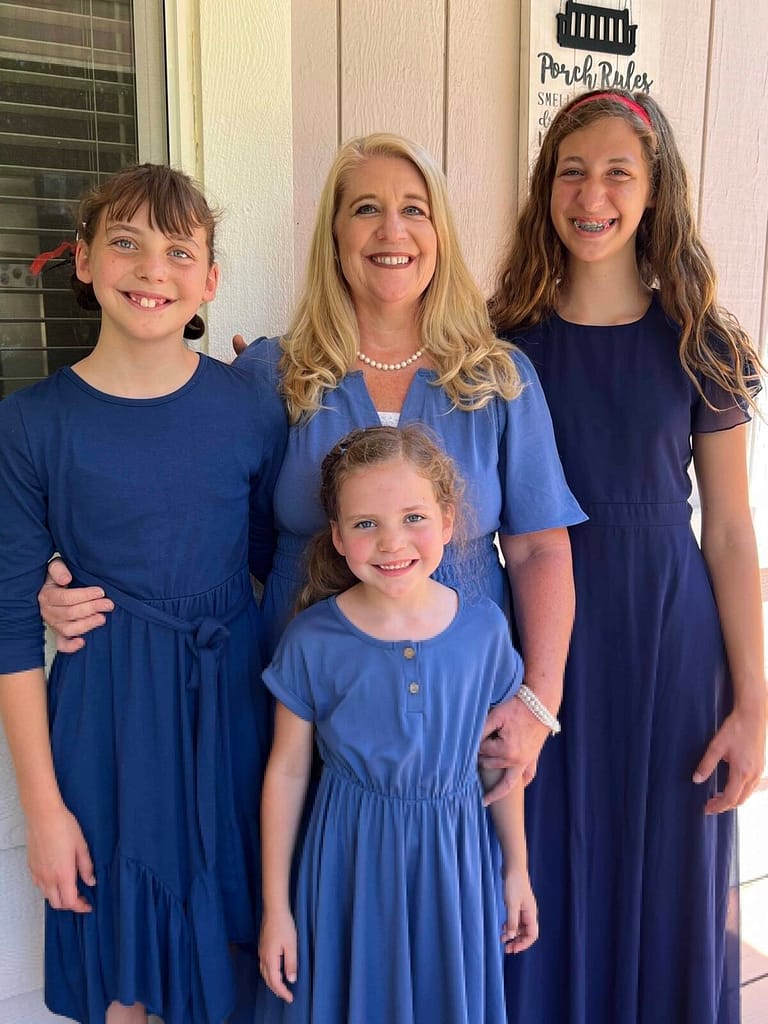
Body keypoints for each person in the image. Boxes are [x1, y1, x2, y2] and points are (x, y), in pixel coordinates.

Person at [38, 133, 586, 796]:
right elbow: (182, 510)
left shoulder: (499, 379)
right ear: (333, 234)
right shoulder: (272, 373)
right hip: (304, 721)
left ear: (440, 232)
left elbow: (539, 552)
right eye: (365, 209)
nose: (392, 230)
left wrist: (536, 702)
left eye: (414, 209)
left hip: (462, 720)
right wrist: (67, 582)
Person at [488, 89, 766, 1024]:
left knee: (667, 875)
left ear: (655, 193)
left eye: (618, 172)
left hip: (667, 640)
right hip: (537, 642)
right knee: (542, 862)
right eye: (571, 170)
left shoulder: (701, 343)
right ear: (545, 189)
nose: (591, 192)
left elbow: (730, 530)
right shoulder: (501, 341)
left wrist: (755, 704)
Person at [0, 165, 287, 1024]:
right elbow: (12, 627)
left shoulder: (249, 408)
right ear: (83, 261)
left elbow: (280, 562)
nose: (150, 269)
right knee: (124, 969)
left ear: (209, 280)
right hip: (106, 717)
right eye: (124, 242)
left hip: (232, 707)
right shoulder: (32, 423)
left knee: (230, 965)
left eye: (177, 250)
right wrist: (44, 812)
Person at [257, 424, 537, 1024]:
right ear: (336, 535)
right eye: (365, 524)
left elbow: (498, 762)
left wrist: (516, 869)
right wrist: (276, 907)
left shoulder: (484, 629)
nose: (391, 542)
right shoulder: (312, 639)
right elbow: (285, 772)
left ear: (448, 517)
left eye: (413, 517)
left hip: (454, 860)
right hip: (349, 862)